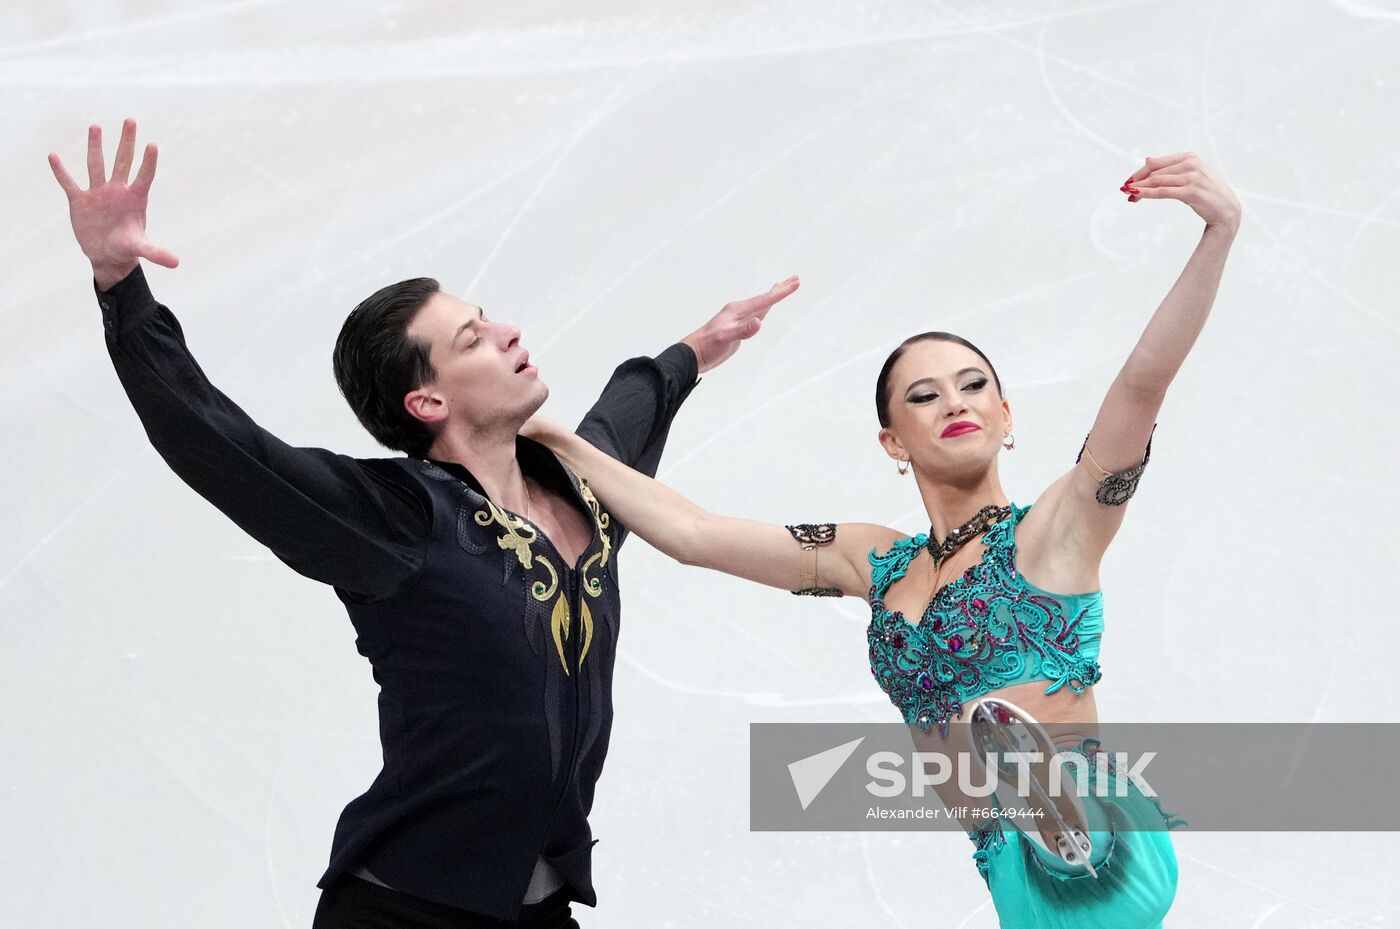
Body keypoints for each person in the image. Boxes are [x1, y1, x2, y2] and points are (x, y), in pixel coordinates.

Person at [48, 118, 799, 928]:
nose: (508, 330)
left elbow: (624, 414)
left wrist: (695, 349)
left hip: (537, 911)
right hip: (403, 911)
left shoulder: (583, 484)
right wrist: (119, 282)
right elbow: (224, 445)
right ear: (428, 401)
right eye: (472, 337)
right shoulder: (400, 521)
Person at [522, 152, 1241, 927]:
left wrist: (1219, 232)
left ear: (1006, 416)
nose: (953, 403)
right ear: (893, 441)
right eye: (923, 397)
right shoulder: (875, 561)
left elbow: (1142, 381)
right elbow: (693, 533)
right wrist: (553, 435)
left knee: (1091, 869)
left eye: (973, 387)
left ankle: (1068, 813)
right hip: (1005, 867)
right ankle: (1040, 814)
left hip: (1109, 859)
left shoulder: (1057, 529)